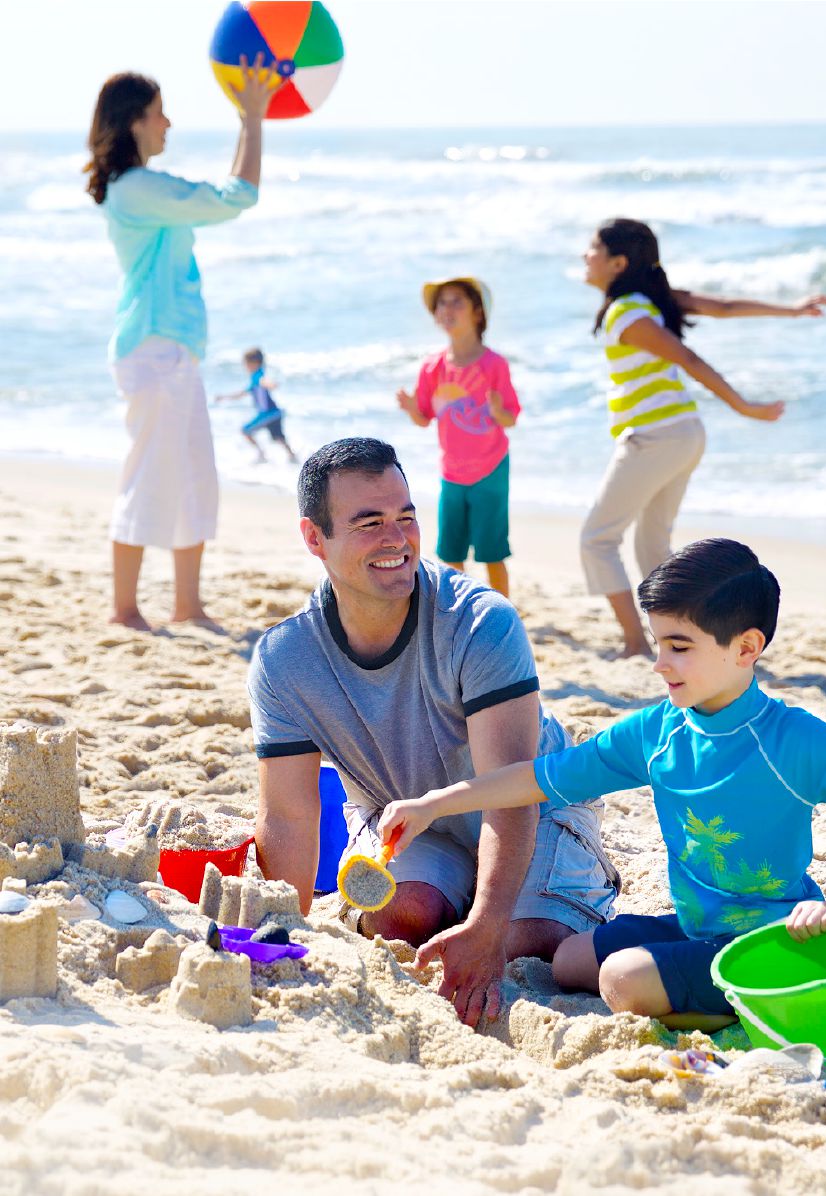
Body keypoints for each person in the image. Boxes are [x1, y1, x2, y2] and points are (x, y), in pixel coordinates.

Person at [378, 538, 826, 1032]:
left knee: (621, 979)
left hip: (776, 942)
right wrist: (435, 803)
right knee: (569, 960)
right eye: (657, 643)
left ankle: (755, 1014)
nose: (659, 663)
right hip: (699, 930)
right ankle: (712, 995)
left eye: (679, 647)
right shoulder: (658, 732)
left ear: (746, 648)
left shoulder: (794, 740)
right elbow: (543, 777)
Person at [247, 437, 620, 1027]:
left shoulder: (480, 622)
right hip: (405, 819)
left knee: (532, 942)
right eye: (369, 523)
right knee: (399, 918)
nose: (396, 539)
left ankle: (502, 905)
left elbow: (512, 793)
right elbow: (290, 815)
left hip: (535, 808)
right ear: (314, 538)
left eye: (406, 516)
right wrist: (281, 932)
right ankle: (457, 899)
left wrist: (489, 928)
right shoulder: (286, 658)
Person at [579, 217, 826, 657]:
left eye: (593, 248)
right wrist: (792, 310)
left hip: (656, 437)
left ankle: (636, 643)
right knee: (652, 547)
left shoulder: (627, 313)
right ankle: (687, 640)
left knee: (597, 540)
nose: (585, 255)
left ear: (617, 263)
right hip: (681, 435)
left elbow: (689, 358)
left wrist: (744, 407)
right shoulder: (651, 300)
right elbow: (724, 307)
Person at [85, 59, 277, 631]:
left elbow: (227, 199)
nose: (167, 123)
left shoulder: (141, 189)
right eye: (159, 113)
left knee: (194, 477)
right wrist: (252, 118)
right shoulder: (137, 189)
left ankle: (187, 606)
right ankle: (124, 610)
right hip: (153, 351)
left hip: (171, 351)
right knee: (148, 476)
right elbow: (237, 196)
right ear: (134, 122)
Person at [396, 277, 519, 598]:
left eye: (457, 301)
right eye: (442, 303)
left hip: (491, 468)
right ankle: (460, 611)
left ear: (478, 312)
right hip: (451, 472)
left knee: (492, 552)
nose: (447, 308)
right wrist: (411, 408)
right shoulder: (432, 366)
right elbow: (424, 418)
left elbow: (511, 417)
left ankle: (503, 611)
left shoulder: (494, 364)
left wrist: (498, 411)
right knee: (450, 552)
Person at [216, 347, 298, 464]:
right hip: (274, 413)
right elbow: (241, 393)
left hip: (268, 414)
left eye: (246, 364)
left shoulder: (258, 376)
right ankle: (292, 456)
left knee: (245, 430)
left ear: (254, 363)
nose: (245, 367)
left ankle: (262, 455)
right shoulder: (255, 377)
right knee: (277, 437)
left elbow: (263, 381)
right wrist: (224, 397)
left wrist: (271, 384)